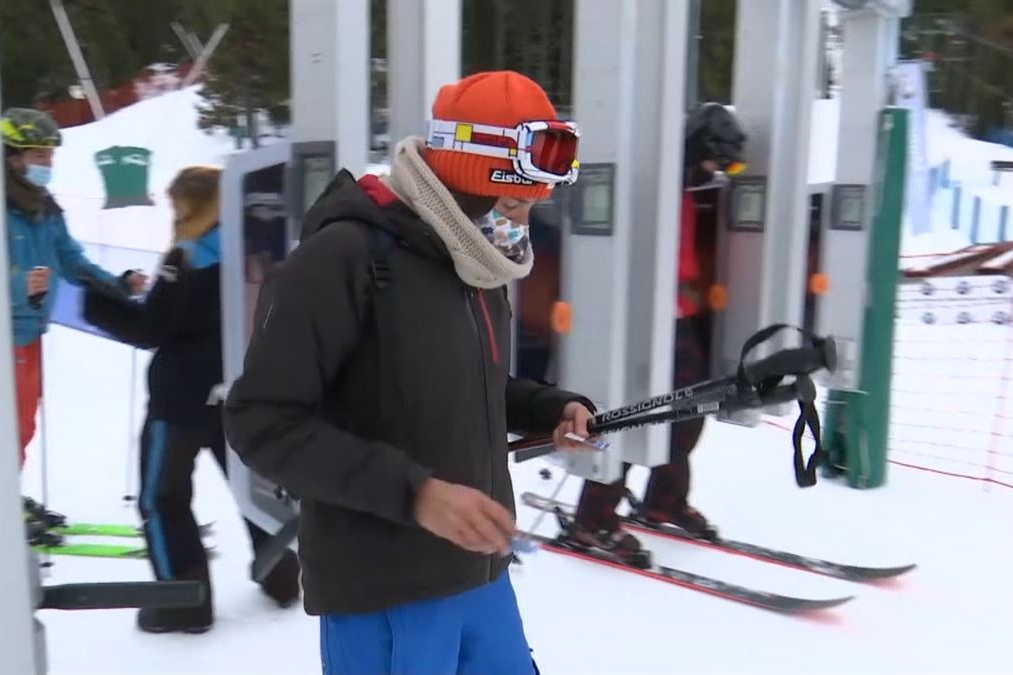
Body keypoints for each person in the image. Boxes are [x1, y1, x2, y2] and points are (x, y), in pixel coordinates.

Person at [223, 71, 596, 674]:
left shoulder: (476, 261)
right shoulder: (343, 258)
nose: (521, 224)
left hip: (480, 578)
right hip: (385, 594)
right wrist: (416, 493)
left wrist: (548, 408)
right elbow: (261, 421)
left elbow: (462, 386)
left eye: (532, 206)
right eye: (512, 203)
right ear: (468, 182)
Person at [82, 167, 300, 634]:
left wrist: (96, 304)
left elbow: (150, 329)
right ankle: (283, 577)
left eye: (176, 202)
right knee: (253, 490)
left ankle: (184, 602)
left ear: (194, 204)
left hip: (178, 401)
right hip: (237, 392)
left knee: (162, 498)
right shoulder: (252, 249)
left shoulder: (185, 259)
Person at [570, 102, 746, 561]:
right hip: (641, 319)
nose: (716, 172)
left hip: (679, 314)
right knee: (636, 413)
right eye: (714, 160)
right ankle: (594, 517)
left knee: (688, 412)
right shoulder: (652, 183)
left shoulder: (687, 185)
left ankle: (664, 501)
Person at [0, 107, 147, 528]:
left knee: (24, 424)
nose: (48, 165)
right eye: (39, 156)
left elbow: (71, 260)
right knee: (4, 426)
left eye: (50, 157)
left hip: (30, 333)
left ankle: (3, 493)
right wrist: (18, 286)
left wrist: (118, 284)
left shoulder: (45, 208)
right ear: (13, 158)